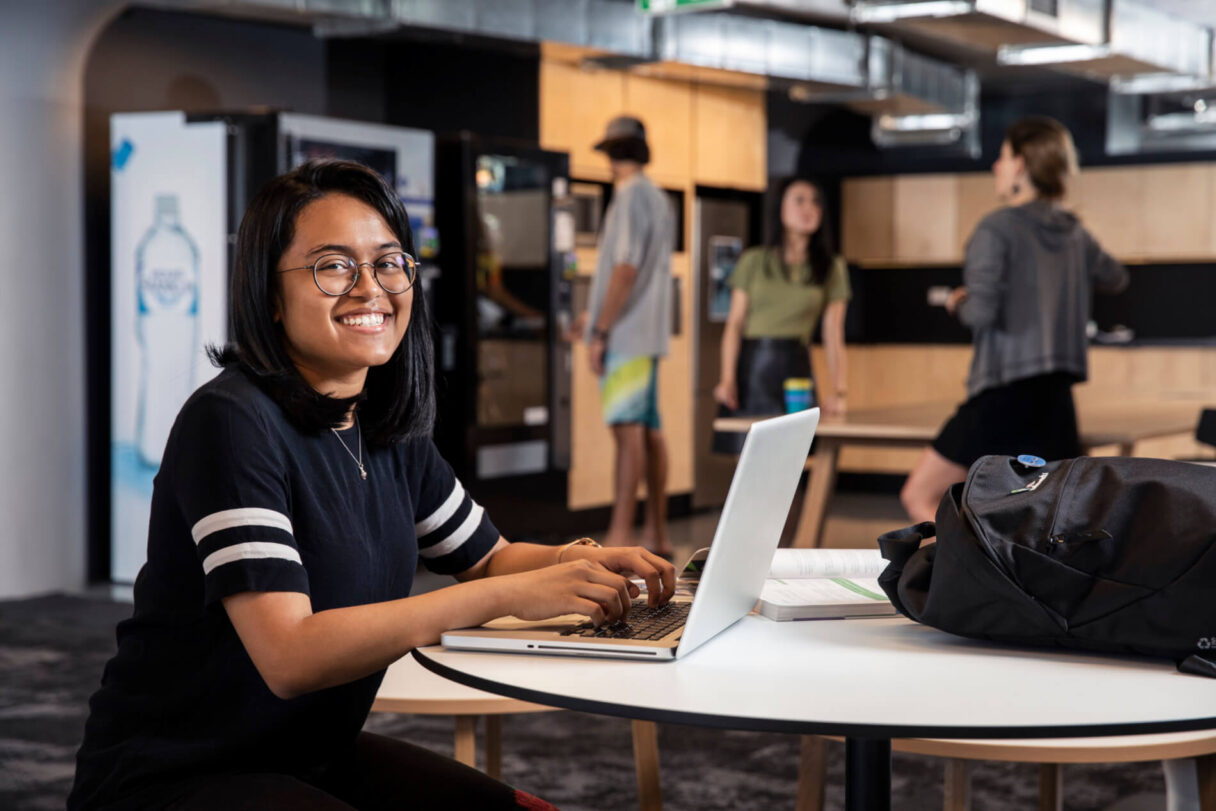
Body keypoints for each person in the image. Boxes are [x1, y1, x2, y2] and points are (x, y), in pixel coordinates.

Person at [69, 159, 676, 811]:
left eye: (388, 262)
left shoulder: (385, 422)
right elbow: (290, 653)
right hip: (172, 775)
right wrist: (514, 591)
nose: (371, 288)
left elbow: (489, 558)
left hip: (310, 757)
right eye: (333, 266)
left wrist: (572, 563)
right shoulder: (230, 422)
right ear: (268, 294)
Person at [900, 116, 1129, 523]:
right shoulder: (1075, 232)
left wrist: (956, 301)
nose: (996, 167)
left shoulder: (996, 228)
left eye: (1003, 157)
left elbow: (981, 312)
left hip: (1002, 395)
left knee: (922, 495)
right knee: (1037, 518)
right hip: (1056, 401)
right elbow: (1116, 276)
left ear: (1021, 164)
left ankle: (954, 584)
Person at [577, 116, 675, 556]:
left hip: (626, 336)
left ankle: (619, 536)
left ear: (611, 153)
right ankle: (657, 534)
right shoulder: (657, 198)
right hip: (645, 332)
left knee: (627, 432)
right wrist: (594, 315)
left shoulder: (630, 196)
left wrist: (601, 329)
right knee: (650, 433)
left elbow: (625, 268)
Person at [713, 177, 850, 418]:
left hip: (797, 369)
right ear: (780, 208)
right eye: (799, 201)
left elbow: (833, 332)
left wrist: (839, 391)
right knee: (748, 451)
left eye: (815, 203)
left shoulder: (831, 267)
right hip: (753, 367)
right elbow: (734, 324)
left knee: (797, 449)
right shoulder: (753, 260)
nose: (809, 209)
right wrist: (726, 378)